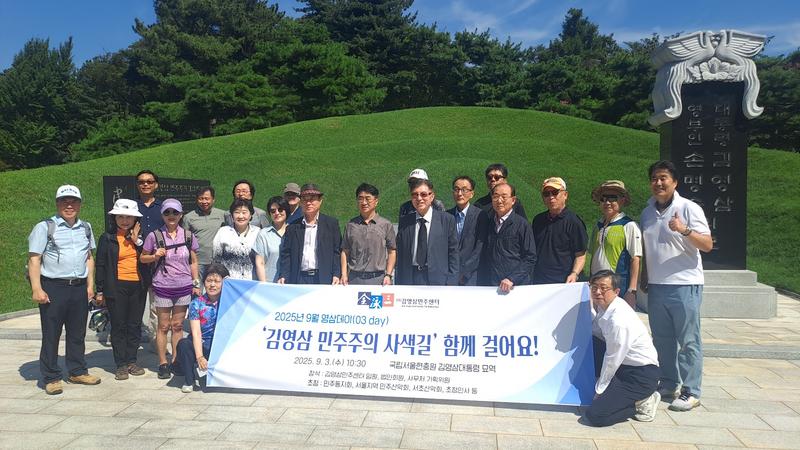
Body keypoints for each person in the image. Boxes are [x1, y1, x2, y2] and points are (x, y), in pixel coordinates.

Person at [640, 160, 712, 412]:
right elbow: (648, 249)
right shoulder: (647, 212)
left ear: (675, 182)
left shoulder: (689, 208)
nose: (658, 183)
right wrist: (645, 277)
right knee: (662, 339)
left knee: (688, 340)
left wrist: (684, 230)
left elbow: (707, 245)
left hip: (684, 284)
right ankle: (669, 383)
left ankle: (691, 391)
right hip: (657, 285)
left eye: (663, 178)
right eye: (654, 178)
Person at [28, 185, 100, 395]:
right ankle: (51, 377)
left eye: (73, 201)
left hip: (78, 287)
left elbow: (89, 257)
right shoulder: (45, 227)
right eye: (64, 201)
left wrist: (90, 285)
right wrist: (36, 288)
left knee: (77, 332)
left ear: (80, 204)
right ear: (57, 203)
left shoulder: (85, 227)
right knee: (52, 333)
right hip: (54, 287)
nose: (69, 205)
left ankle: (77, 371)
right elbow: (34, 259)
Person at [585, 270, 661, 427]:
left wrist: (600, 390)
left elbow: (612, 358)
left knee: (595, 415)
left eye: (603, 288)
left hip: (640, 375)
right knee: (590, 341)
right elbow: (595, 330)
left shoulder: (618, 320)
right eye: (594, 287)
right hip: (623, 368)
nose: (598, 292)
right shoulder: (606, 307)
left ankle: (642, 402)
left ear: (616, 291)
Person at [140, 198, 201, 379]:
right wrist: (154, 256)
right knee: (163, 325)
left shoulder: (188, 236)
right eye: (167, 212)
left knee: (177, 325)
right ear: (162, 215)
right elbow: (142, 258)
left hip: (183, 286)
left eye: (175, 212)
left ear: (181, 215)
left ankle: (176, 360)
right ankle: (162, 362)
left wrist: (195, 282)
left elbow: (193, 261)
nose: (171, 215)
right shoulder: (155, 236)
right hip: (163, 286)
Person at [95, 199, 149, 381]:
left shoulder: (142, 237)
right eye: (121, 217)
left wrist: (136, 240)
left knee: (134, 325)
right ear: (114, 218)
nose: (125, 221)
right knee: (119, 326)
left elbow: (148, 257)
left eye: (129, 217)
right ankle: (120, 364)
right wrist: (100, 290)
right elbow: (101, 265)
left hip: (138, 286)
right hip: (116, 286)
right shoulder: (107, 238)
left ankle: (132, 361)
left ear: (135, 219)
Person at [174, 263, 230, 393]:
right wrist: (199, 357)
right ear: (204, 282)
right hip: (203, 343)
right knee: (183, 344)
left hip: (221, 345)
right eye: (209, 281)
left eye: (217, 281)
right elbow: (196, 333)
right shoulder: (196, 303)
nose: (212, 285)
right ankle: (189, 380)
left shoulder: (230, 302)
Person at [588, 180, 642, 309]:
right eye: (603, 198)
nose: (607, 202)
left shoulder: (629, 225)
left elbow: (635, 259)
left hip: (618, 288)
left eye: (612, 198)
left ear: (622, 200)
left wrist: (632, 290)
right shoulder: (597, 225)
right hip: (597, 288)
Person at [395, 178, 459, 285]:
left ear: (431, 196)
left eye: (423, 194)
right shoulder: (405, 221)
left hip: (438, 279)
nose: (419, 198)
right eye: (415, 195)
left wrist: (451, 282)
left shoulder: (447, 220)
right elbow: (400, 254)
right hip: (410, 279)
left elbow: (453, 253)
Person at [277, 184, 342, 285]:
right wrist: (283, 275)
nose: (308, 202)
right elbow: (287, 254)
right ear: (300, 202)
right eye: (305, 199)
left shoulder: (331, 224)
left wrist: (336, 274)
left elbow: (336, 251)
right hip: (299, 278)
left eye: (312, 199)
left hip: (323, 277)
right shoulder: (292, 227)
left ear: (320, 201)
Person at [479, 183, 537, 292]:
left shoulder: (522, 225)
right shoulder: (489, 223)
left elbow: (530, 257)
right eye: (495, 196)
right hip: (492, 285)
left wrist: (512, 279)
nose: (499, 200)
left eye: (504, 197)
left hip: (515, 287)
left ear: (513, 200)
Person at [531, 177, 588, 284]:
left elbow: (580, 255)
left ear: (565, 195)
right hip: (539, 281)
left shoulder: (574, 222)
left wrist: (574, 273)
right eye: (546, 194)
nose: (551, 197)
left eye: (555, 192)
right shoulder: (538, 220)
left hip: (563, 282)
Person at [341, 183, 397, 286]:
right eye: (360, 198)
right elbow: (345, 251)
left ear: (376, 201)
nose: (364, 202)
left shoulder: (385, 224)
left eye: (368, 198)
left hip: (378, 280)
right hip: (354, 278)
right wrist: (344, 274)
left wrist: (388, 275)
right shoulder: (351, 225)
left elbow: (392, 251)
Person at [135, 170, 162, 346]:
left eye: (150, 181)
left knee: (156, 307)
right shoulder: (131, 207)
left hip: (158, 263)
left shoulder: (163, 208)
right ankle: (132, 341)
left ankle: (156, 343)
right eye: (141, 181)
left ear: (156, 185)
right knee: (134, 305)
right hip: (134, 261)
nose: (145, 184)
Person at [182, 186, 225, 282]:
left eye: (207, 198)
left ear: (213, 199)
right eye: (201, 198)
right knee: (197, 288)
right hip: (197, 262)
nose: (204, 201)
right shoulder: (189, 217)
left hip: (218, 261)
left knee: (216, 287)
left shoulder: (223, 215)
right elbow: (184, 240)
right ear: (197, 200)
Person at [448, 176, 485, 286]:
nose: (459, 193)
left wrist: (464, 273)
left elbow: (479, 249)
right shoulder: (446, 215)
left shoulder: (480, 216)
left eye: (464, 190)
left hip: (470, 277)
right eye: (456, 189)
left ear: (472, 194)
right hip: (449, 274)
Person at [212, 198, 260, 280]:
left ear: (251, 215)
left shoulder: (258, 233)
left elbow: (262, 261)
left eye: (244, 212)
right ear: (232, 215)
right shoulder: (223, 232)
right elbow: (216, 260)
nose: (241, 216)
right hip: (229, 282)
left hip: (252, 282)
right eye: (237, 212)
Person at [254, 196, 290, 282]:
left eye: (280, 210)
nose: (277, 213)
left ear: (286, 210)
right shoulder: (263, 234)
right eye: (273, 211)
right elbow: (260, 263)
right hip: (270, 283)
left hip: (291, 283)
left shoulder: (295, 232)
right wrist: (264, 285)